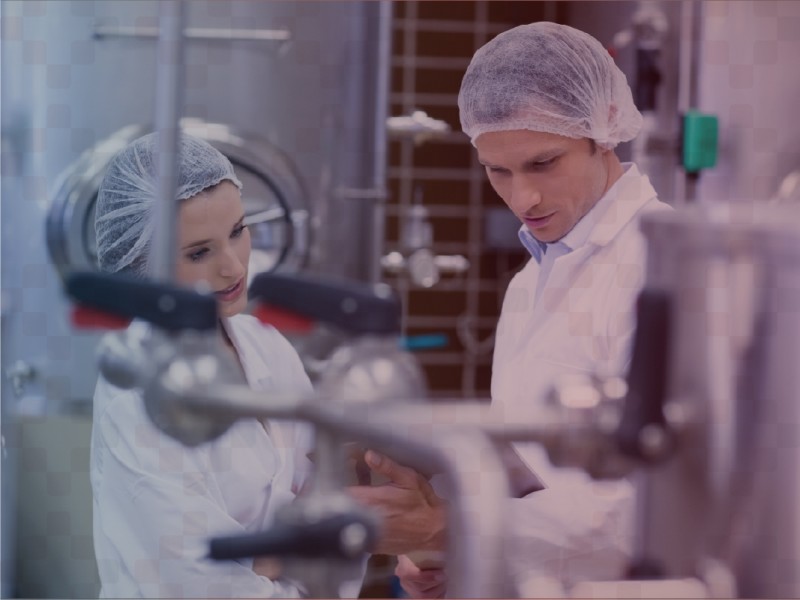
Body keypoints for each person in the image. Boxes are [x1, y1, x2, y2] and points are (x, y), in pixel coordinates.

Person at [349, 21, 672, 597]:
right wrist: (441, 542)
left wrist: (452, 530)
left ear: (603, 130)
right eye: (498, 170)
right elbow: (526, 465)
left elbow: (654, 502)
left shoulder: (662, 266)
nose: (523, 198)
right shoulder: (531, 280)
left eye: (543, 163)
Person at [90, 133, 316, 597]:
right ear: (142, 263)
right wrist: (303, 551)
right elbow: (198, 580)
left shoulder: (267, 345)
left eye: (238, 230)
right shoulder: (140, 391)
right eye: (199, 252)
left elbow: (326, 497)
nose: (233, 267)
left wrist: (277, 557)